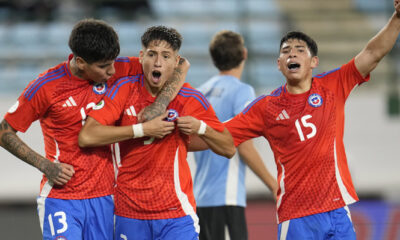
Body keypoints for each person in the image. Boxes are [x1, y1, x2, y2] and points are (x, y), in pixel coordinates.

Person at [224, 1, 400, 238]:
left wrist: (397, 17)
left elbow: (372, 53)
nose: (292, 53)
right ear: (279, 64)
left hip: (337, 210)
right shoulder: (266, 107)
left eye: (299, 49)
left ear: (313, 62)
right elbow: (220, 134)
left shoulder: (333, 86)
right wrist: (184, 131)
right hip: (297, 216)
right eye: (286, 51)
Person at [0, 19, 186, 240]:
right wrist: (45, 165)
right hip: (63, 197)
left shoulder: (119, 68)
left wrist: (160, 104)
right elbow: (4, 132)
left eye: (113, 63)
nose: (112, 71)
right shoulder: (46, 87)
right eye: (103, 67)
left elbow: (181, 65)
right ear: (80, 62)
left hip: (105, 199)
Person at [78, 25, 236, 240]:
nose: (158, 62)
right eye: (152, 54)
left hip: (176, 214)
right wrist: (141, 130)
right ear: (142, 56)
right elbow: (87, 136)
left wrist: (200, 127)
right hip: (129, 212)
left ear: (176, 61)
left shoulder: (190, 97)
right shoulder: (124, 88)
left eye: (166, 56)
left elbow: (228, 147)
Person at [192, 30, 278, 240]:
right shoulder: (242, 91)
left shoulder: (199, 92)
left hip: (200, 197)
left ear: (214, 59)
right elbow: (245, 147)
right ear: (244, 54)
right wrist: (275, 187)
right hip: (226, 195)